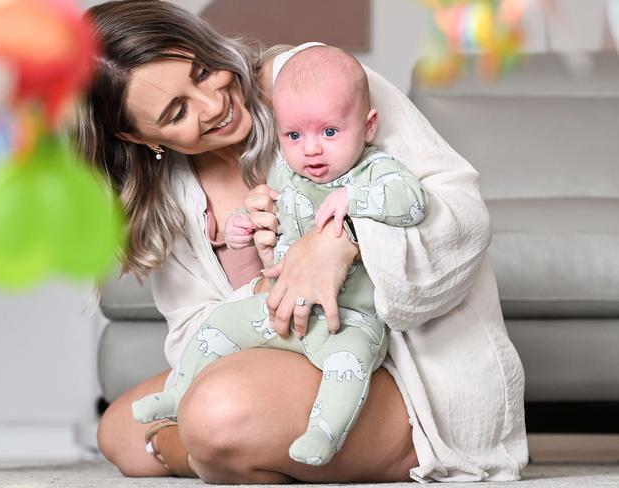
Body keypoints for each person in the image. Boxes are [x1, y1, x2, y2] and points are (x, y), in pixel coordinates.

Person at [77, 0, 528, 483]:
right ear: (139, 137)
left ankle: (208, 449)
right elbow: (193, 332)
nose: (214, 105)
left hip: (393, 370)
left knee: (214, 414)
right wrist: (266, 279)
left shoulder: (318, 79)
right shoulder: (172, 192)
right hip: (283, 354)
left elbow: (461, 213)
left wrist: (341, 241)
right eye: (176, 112)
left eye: (204, 71)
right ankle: (219, 450)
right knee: (120, 430)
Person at [130, 45, 427, 468]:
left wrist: (350, 211)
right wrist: (245, 226)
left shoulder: (371, 169)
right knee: (216, 328)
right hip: (280, 318)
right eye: (294, 136)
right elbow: (272, 215)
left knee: (348, 364)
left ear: (368, 127)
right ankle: (180, 398)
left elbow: (414, 201)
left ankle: (324, 433)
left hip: (347, 317)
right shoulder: (289, 174)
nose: (312, 151)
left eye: (329, 134)